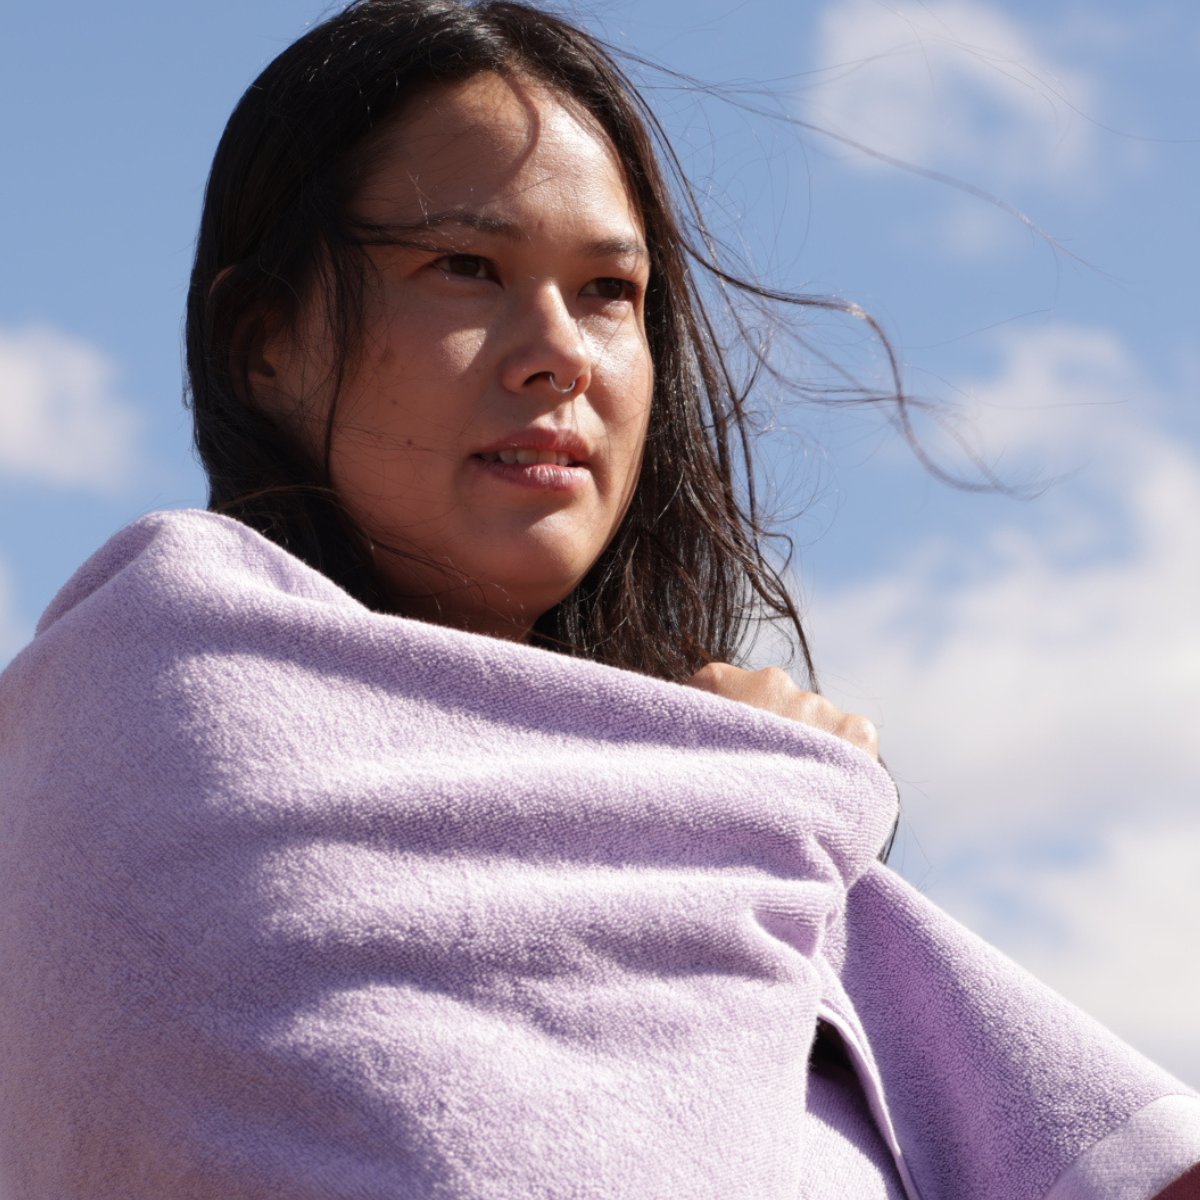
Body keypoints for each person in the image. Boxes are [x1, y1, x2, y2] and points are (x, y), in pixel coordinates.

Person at [0, 2, 1197, 1197]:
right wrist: (756, 823)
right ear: (265, 340)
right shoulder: (159, 703)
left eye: (611, 291)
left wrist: (742, 814)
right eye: (466, 267)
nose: (559, 350)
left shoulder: (756, 841)